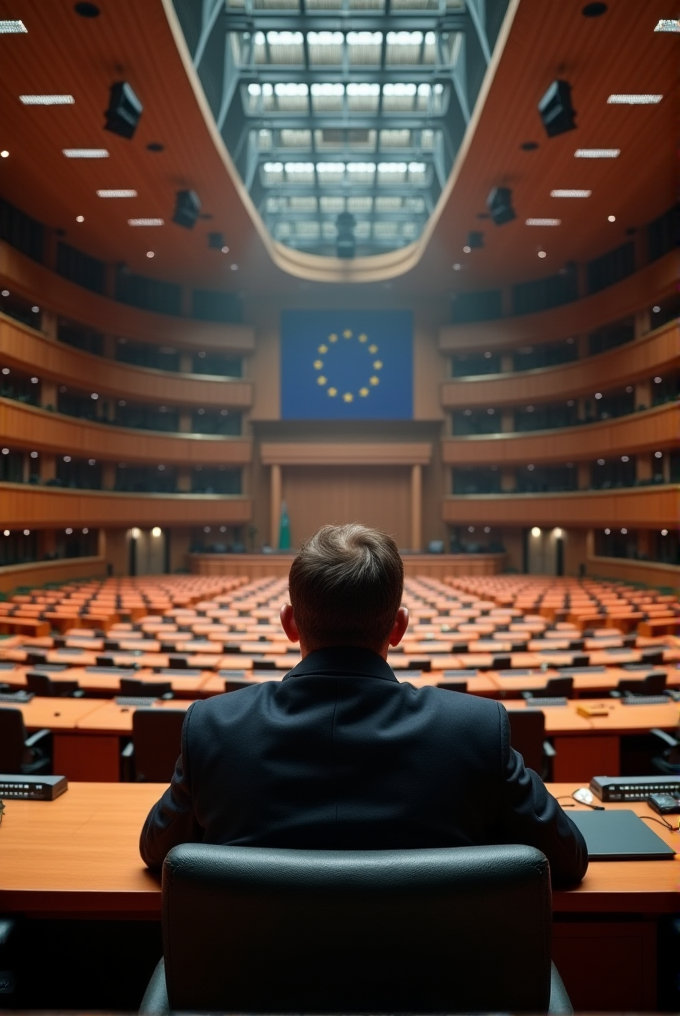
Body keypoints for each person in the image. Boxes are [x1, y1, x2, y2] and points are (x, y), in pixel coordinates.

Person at [140, 523, 588, 886]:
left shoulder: (215, 725)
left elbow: (157, 852)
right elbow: (567, 859)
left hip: (250, 989)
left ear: (289, 623)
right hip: (438, 990)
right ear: (399, 627)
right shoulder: (474, 728)